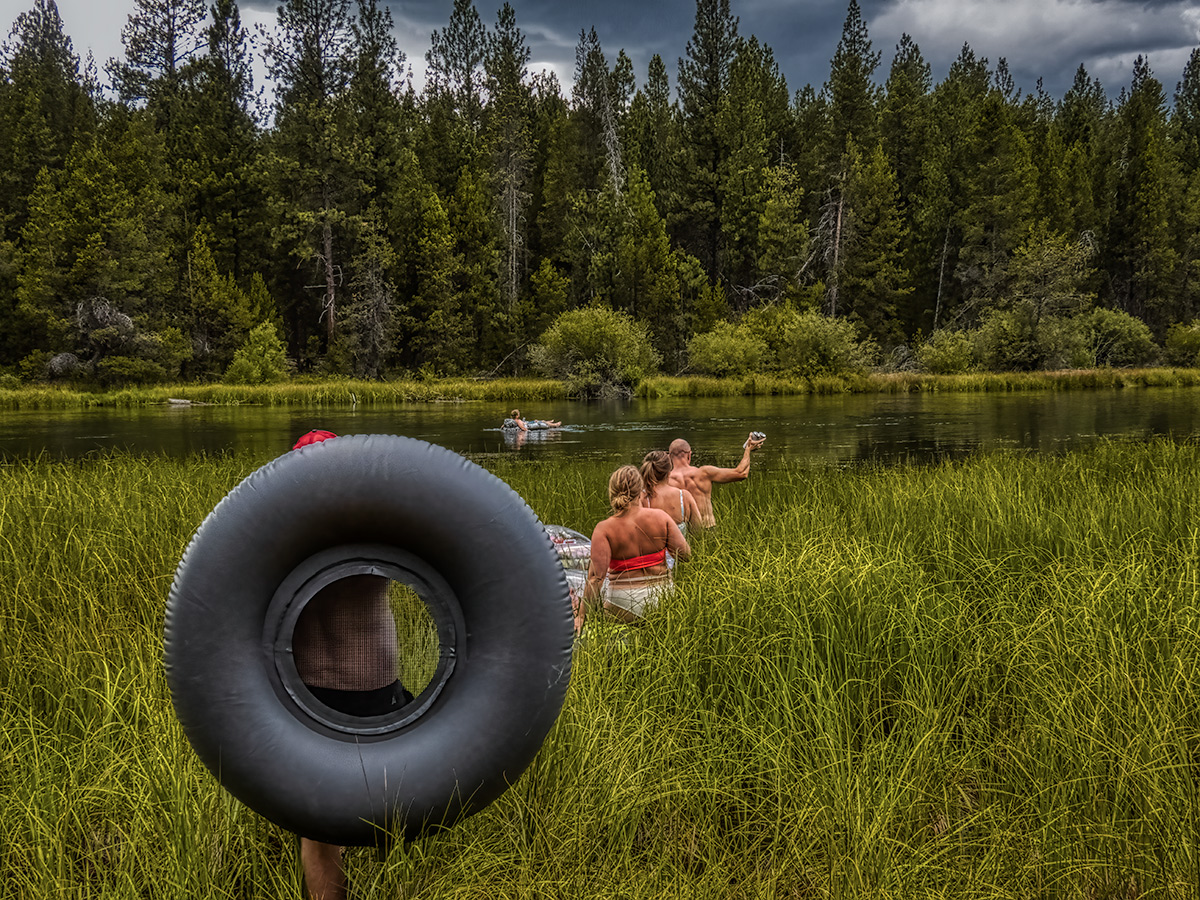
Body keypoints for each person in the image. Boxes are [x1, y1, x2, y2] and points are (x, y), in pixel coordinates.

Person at [289, 429, 411, 900]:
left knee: (319, 833)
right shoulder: (373, 527)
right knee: (388, 805)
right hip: (369, 688)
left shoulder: (277, 534)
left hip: (303, 692)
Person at [581, 465, 690, 628]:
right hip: (661, 598)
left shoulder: (604, 528)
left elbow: (596, 578)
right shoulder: (661, 517)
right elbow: (685, 555)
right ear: (641, 491)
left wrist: (582, 616)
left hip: (621, 604)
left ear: (612, 492)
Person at [667, 432, 765, 528]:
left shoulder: (666, 480)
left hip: (683, 533)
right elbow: (742, 473)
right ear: (689, 454)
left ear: (669, 456)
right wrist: (748, 449)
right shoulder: (704, 473)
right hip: (708, 528)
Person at [640, 450, 701, 538]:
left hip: (650, 552)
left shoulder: (642, 498)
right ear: (669, 472)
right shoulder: (684, 497)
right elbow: (697, 532)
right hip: (680, 551)